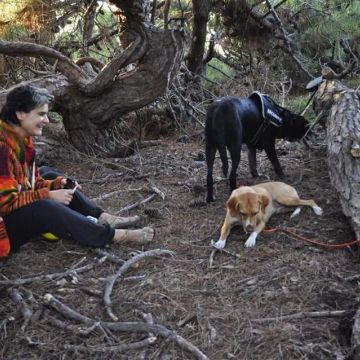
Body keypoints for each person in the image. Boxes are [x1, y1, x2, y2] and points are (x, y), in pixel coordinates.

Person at [0, 84, 154, 257]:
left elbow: (32, 182)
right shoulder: (2, 148)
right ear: (20, 114)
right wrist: (48, 195)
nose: (47, 120)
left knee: (49, 174)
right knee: (45, 207)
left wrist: (57, 184)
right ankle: (111, 236)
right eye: (41, 114)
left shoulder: (21, 139)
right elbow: (5, 202)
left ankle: (102, 217)